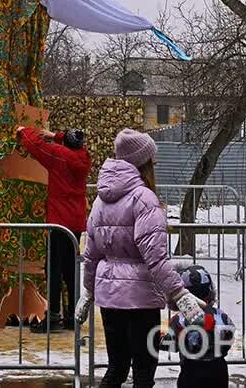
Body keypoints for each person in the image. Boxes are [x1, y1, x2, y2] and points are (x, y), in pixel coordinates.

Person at [76, 128, 205, 388]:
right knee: (144, 375)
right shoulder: (144, 199)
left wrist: (88, 292)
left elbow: (91, 254)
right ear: (144, 163)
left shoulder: (101, 201)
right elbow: (155, 258)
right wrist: (180, 295)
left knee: (116, 369)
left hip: (110, 298)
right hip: (141, 301)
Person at [15, 126, 91, 332]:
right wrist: (55, 136)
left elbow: (35, 146)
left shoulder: (59, 156)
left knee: (53, 268)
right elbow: (67, 145)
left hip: (59, 220)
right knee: (70, 269)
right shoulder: (83, 156)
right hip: (75, 220)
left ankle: (53, 316)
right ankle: (72, 316)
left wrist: (24, 130)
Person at [160, 265, 235, 388]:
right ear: (210, 291)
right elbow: (229, 336)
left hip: (191, 370)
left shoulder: (179, 320)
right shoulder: (220, 315)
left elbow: (170, 343)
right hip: (218, 369)